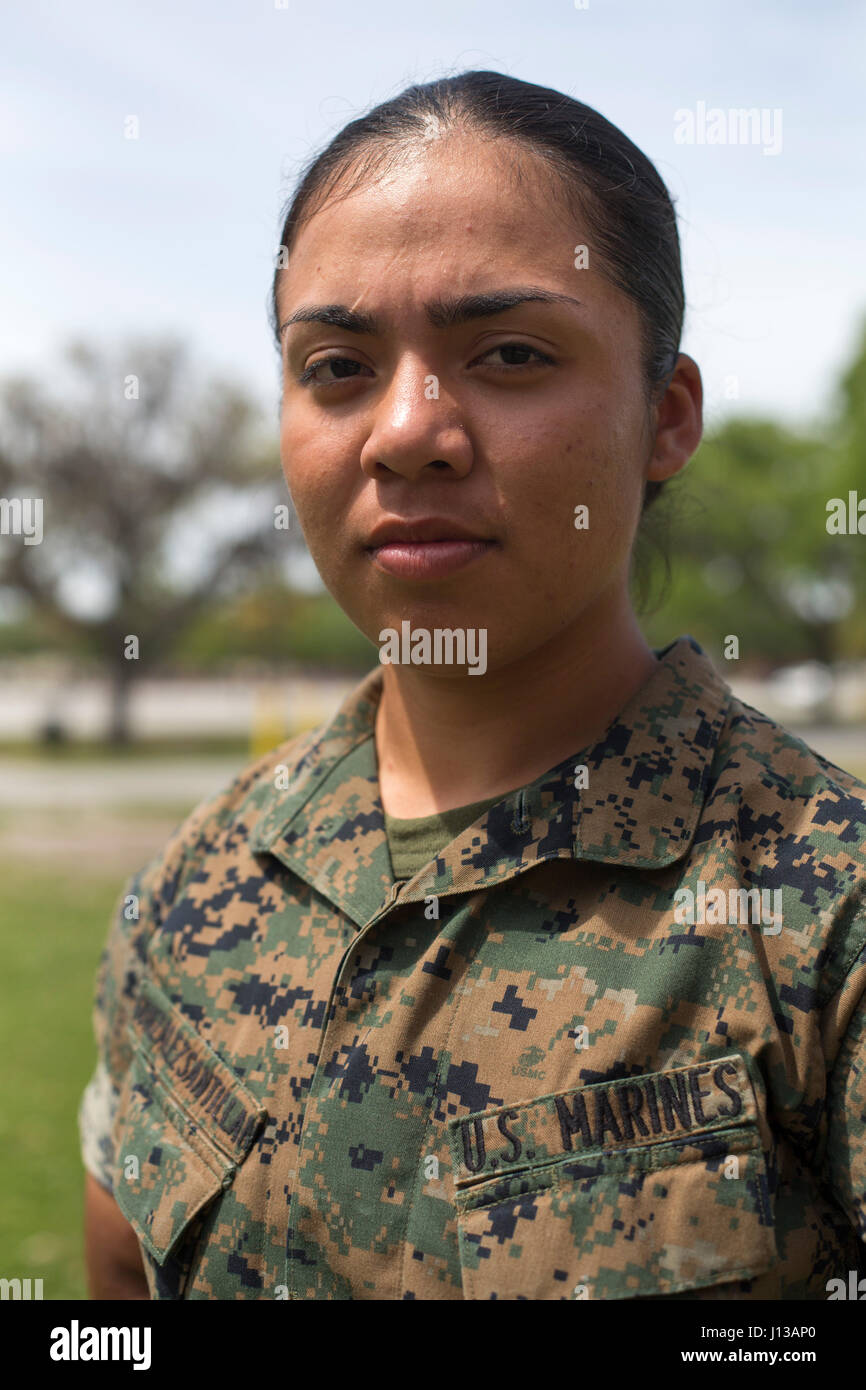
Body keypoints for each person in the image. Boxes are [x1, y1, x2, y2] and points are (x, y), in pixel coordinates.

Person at [80, 69, 866, 1301]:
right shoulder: (204, 872)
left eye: (506, 352)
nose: (405, 429)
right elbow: (118, 1277)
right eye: (335, 366)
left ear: (663, 417)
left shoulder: (820, 920)